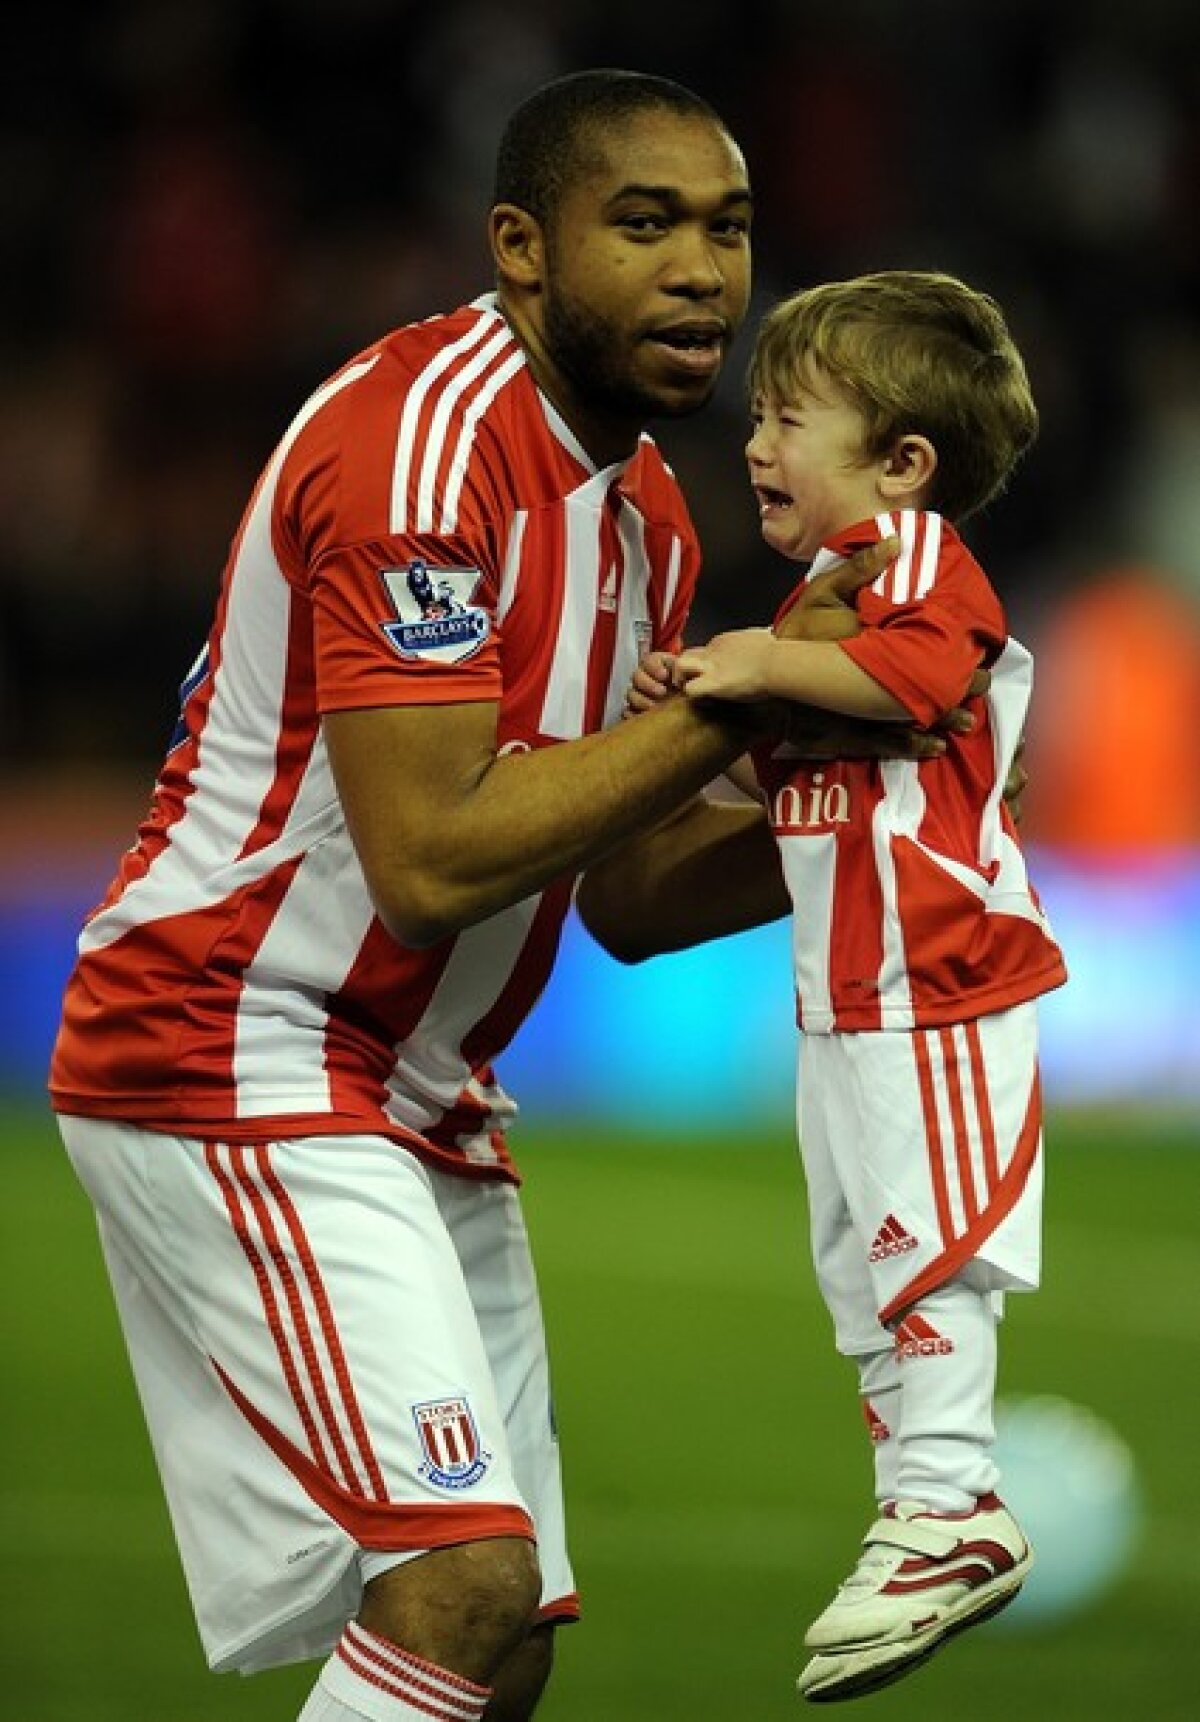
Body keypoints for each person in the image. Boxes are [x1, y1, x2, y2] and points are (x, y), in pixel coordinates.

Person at [49, 71, 960, 1722]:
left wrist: (872, 790)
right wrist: (752, 696)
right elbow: (433, 858)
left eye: (730, 228)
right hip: (234, 1041)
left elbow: (614, 891)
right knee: (458, 1588)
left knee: (505, 1630)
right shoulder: (424, 447)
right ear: (521, 249)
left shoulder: (647, 516)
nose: (703, 270)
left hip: (410, 1089)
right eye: (646, 223)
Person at [620, 269, 1068, 1703]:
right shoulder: (824, 598)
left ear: (902, 462)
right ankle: (913, 1506)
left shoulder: (910, 562)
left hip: (938, 971)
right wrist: (714, 717)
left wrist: (756, 658)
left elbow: (932, 679)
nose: (755, 440)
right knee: (862, 1262)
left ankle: (952, 1506)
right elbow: (799, 766)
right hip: (846, 992)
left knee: (926, 1242)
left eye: (787, 414)